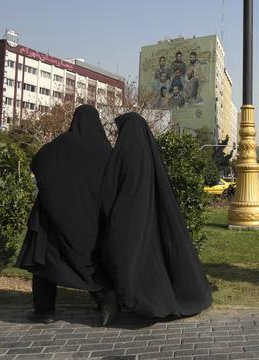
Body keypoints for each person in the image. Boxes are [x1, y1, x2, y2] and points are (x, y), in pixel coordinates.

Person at [98, 113, 212, 319]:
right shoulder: (150, 153)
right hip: (153, 217)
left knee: (126, 259)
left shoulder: (122, 154)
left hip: (127, 219)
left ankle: (129, 300)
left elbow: (109, 189)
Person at [16, 105, 117, 325]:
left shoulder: (60, 144)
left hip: (54, 216)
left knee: (44, 261)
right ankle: (105, 299)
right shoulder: (105, 151)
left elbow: (38, 163)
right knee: (88, 261)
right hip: (90, 220)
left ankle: (45, 312)